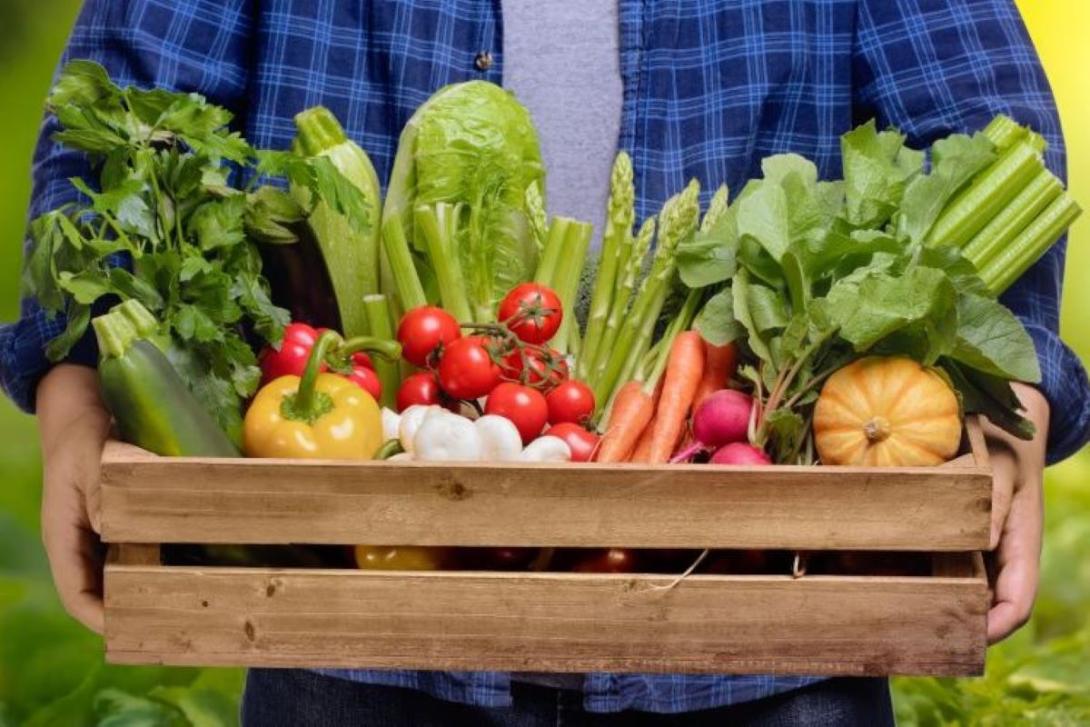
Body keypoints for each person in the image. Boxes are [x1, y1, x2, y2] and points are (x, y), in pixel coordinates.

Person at [4, 0, 1088, 724]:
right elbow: (118, 128)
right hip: (358, 624)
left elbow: (983, 129)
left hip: (762, 630)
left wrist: (1008, 405)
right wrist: (74, 389)